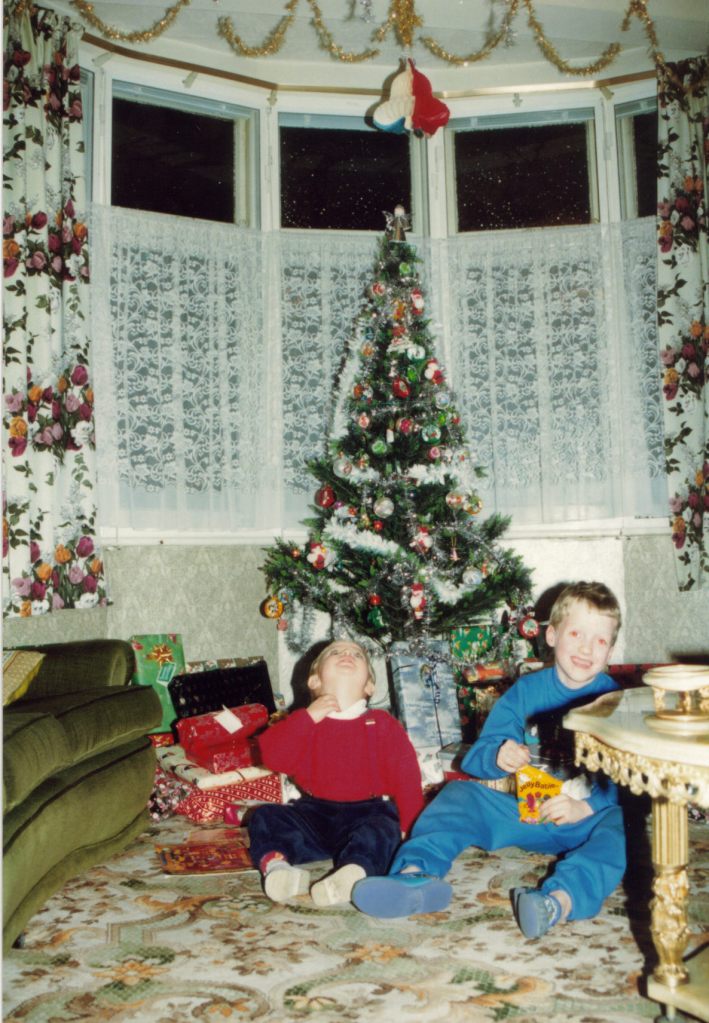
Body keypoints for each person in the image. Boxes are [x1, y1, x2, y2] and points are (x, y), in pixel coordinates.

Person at [352, 581, 626, 939]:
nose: (587, 648)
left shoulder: (615, 701)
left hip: (585, 820)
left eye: (600, 640)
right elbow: (477, 759)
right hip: (524, 812)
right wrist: (498, 755)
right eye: (577, 633)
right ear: (553, 634)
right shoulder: (526, 692)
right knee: (457, 797)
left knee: (625, 827)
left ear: (610, 650)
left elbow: (632, 776)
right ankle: (413, 876)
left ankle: (558, 901)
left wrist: (587, 808)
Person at [248, 639, 424, 907]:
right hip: (313, 813)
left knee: (384, 830)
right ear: (315, 681)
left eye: (357, 654)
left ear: (368, 686)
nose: (346, 655)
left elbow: (407, 777)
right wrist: (307, 717)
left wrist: (410, 828)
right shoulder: (304, 722)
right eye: (335, 653)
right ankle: (279, 871)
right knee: (265, 816)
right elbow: (273, 757)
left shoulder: (381, 724)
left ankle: (353, 873)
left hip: (368, 812)